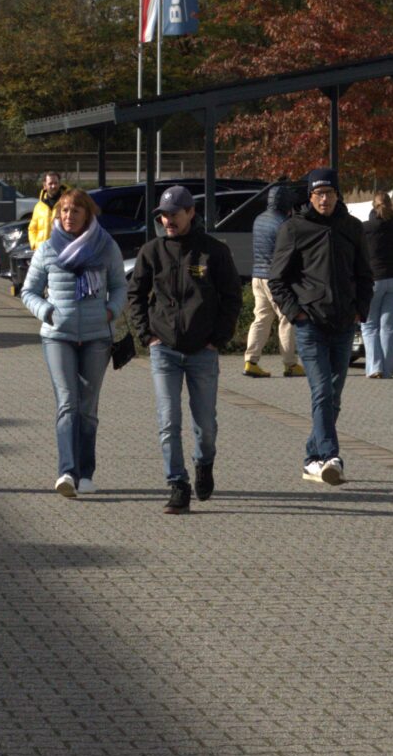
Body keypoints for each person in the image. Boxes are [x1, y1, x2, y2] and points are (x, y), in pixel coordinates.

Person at [129, 184, 244, 514]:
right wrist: (145, 335)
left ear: (191, 213)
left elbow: (232, 297)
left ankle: (204, 463)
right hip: (163, 349)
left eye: (174, 215)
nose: (168, 221)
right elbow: (136, 294)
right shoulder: (152, 252)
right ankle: (177, 484)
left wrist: (218, 338)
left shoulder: (213, 251)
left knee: (205, 425)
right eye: (163, 216)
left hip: (202, 351)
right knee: (169, 420)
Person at [268, 167, 373, 486]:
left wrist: (360, 309)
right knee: (321, 391)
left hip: (343, 323)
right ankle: (331, 457)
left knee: (334, 395)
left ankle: (312, 458)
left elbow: (365, 274)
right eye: (317, 194)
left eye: (328, 193)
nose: (323, 199)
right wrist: (295, 312)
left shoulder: (352, 227)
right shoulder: (294, 228)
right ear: (310, 197)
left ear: (337, 195)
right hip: (310, 324)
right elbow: (277, 278)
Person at [22, 187, 125, 497]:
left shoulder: (105, 247)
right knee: (68, 403)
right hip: (58, 336)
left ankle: (86, 473)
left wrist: (111, 310)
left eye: (75, 211)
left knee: (87, 408)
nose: (68, 216)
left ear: (87, 214)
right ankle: (67, 472)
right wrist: (46, 311)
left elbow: (120, 286)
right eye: (64, 211)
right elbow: (28, 291)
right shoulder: (48, 249)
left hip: (96, 336)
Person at [244, 182, 304, 378]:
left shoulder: (258, 219)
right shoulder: (283, 224)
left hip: (257, 276)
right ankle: (290, 364)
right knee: (286, 319)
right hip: (275, 279)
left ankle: (250, 361)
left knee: (261, 318)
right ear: (285, 203)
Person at [359, 190, 393, 380]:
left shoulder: (365, 228)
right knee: (389, 326)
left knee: (369, 325)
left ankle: (375, 368)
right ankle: (389, 370)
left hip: (374, 279)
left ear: (373, 206)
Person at [20, 172, 63, 295]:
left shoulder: (66, 203)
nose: (53, 186)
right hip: (42, 252)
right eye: (50, 183)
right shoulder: (39, 206)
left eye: (56, 183)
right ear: (45, 186)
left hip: (60, 252)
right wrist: (35, 244)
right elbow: (32, 228)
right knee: (40, 285)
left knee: (56, 285)